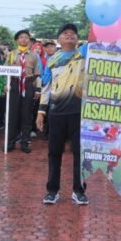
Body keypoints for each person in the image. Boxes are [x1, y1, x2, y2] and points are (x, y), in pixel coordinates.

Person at [36, 23, 88, 205]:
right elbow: (46, 87)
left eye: (73, 33)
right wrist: (41, 111)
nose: (70, 35)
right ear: (58, 40)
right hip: (56, 114)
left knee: (79, 153)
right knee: (54, 153)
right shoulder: (51, 60)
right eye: (65, 33)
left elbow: (99, 41)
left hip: (79, 113)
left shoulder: (84, 54)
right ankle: (52, 190)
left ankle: (79, 190)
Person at [5, 29, 41, 153]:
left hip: (28, 83)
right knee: (12, 115)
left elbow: (37, 74)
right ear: (17, 40)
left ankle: (25, 142)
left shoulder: (34, 55)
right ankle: (10, 142)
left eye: (26, 37)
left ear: (29, 40)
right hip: (14, 84)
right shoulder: (11, 55)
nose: (24, 39)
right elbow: (5, 71)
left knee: (27, 115)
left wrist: (36, 89)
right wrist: (7, 84)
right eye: (21, 37)